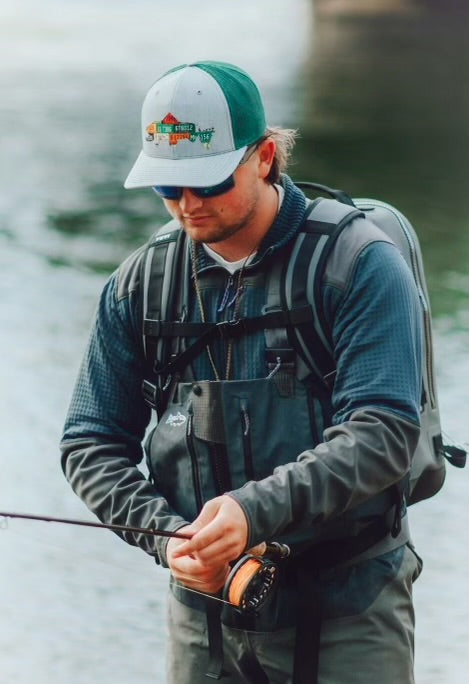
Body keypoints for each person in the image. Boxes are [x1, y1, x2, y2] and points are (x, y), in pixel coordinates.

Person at [61, 61, 423, 683]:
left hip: (350, 605)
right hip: (203, 614)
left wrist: (251, 513)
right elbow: (89, 442)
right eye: (167, 189)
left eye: (207, 182)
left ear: (264, 156)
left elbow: (384, 431)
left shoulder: (360, 264)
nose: (187, 206)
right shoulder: (139, 286)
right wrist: (166, 537)